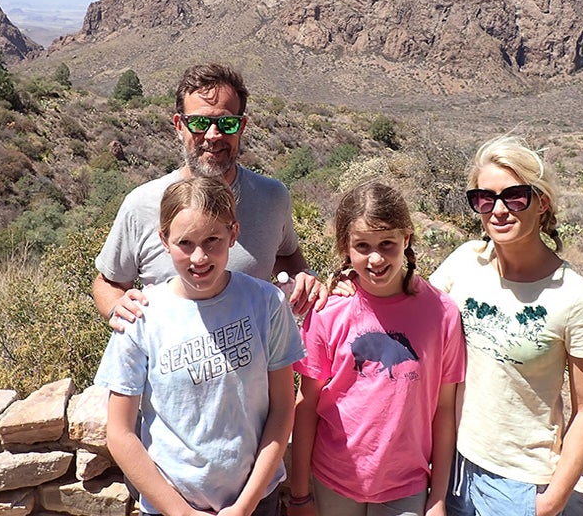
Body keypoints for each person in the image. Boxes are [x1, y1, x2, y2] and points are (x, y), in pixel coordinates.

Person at [94, 176, 306, 516]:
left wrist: (245, 505)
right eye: (185, 243)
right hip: (171, 507)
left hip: (256, 502)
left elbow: (282, 409)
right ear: (164, 240)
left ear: (233, 234)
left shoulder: (266, 304)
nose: (199, 256)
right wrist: (182, 513)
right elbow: (120, 433)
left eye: (212, 240)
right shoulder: (141, 317)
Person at [429, 135, 583, 516]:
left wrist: (550, 501)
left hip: (518, 485)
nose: (498, 210)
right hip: (449, 461)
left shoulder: (577, 299)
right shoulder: (464, 262)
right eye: (484, 198)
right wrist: (345, 280)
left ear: (542, 202)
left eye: (515, 196)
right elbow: (410, 308)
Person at [92, 63, 326, 330]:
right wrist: (115, 306)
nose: (213, 135)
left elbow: (286, 254)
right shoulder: (142, 204)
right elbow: (108, 282)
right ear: (180, 126)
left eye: (227, 123)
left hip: (252, 367)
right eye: (200, 123)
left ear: (242, 127)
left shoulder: (272, 197)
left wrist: (302, 276)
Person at [290, 181, 466, 516]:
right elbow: (308, 402)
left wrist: (438, 497)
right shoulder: (328, 311)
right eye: (362, 245)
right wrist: (300, 495)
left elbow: (444, 410)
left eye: (387, 244)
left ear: (407, 239)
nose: (376, 258)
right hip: (334, 478)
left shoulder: (442, 313)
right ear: (346, 246)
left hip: (407, 483)